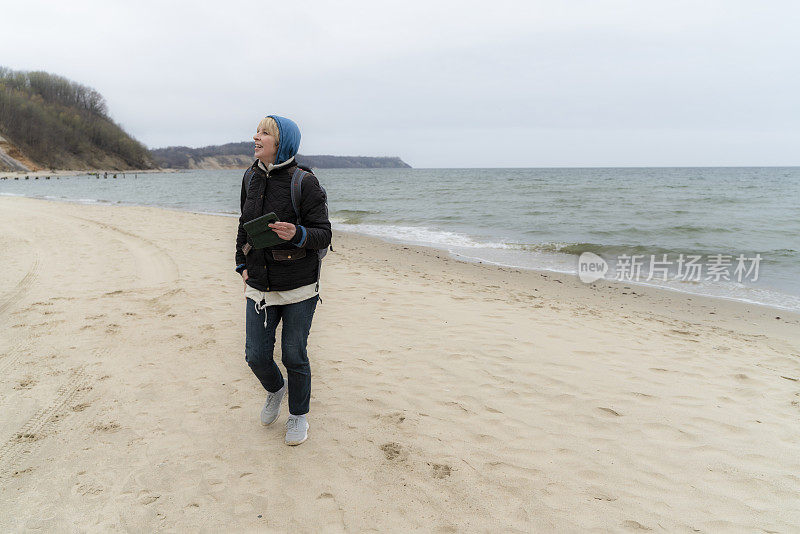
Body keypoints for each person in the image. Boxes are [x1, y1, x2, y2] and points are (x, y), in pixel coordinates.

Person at [235, 115, 331, 446]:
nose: (256, 137)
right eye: (258, 131)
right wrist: (240, 264)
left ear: (281, 142)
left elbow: (324, 234)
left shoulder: (304, 182)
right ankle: (276, 390)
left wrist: (298, 233)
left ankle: (298, 416)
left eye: (264, 133)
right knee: (256, 356)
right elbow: (243, 224)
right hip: (259, 284)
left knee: (294, 354)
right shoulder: (249, 177)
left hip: (300, 286)